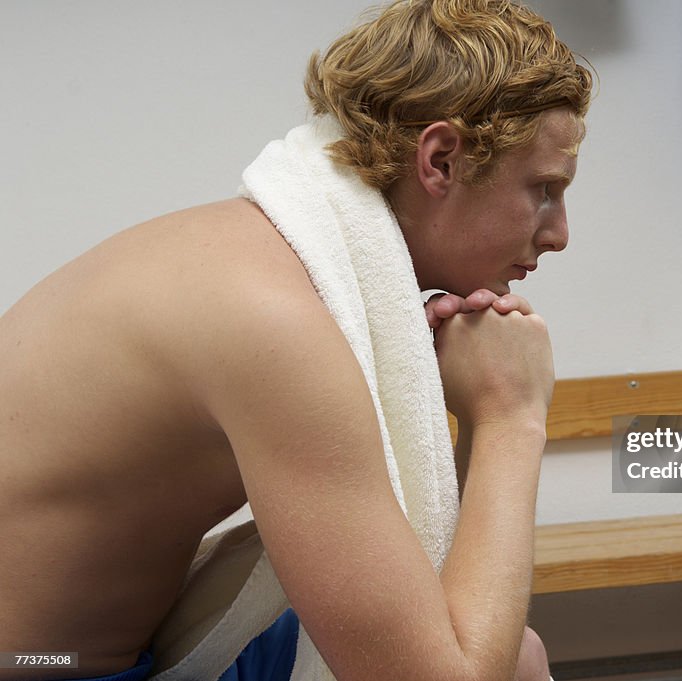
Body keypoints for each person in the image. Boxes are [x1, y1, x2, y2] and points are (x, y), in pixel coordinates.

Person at [0, 0, 591, 679]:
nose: (558, 232)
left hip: (98, 649)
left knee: (517, 655)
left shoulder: (271, 261)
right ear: (441, 160)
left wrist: (477, 415)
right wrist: (513, 417)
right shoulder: (275, 318)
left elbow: (444, 577)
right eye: (543, 189)